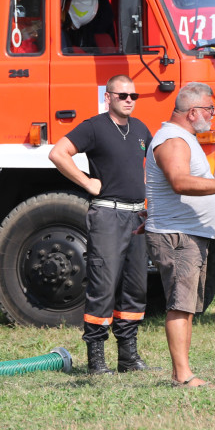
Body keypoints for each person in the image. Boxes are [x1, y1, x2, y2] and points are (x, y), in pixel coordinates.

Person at [145, 82, 215, 387]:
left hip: (188, 234)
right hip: (177, 236)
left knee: (188, 305)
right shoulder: (173, 140)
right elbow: (179, 182)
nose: (212, 114)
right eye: (209, 109)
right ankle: (182, 376)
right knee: (181, 305)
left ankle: (183, 373)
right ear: (192, 112)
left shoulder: (184, 138)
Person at [49, 75, 153, 375]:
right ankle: (96, 360)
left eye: (133, 95)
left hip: (137, 216)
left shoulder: (141, 129)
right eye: (122, 95)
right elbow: (58, 153)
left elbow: (147, 167)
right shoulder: (94, 127)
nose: (129, 99)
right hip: (108, 215)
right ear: (108, 97)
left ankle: (128, 357)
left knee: (135, 288)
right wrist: (87, 182)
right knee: (103, 286)